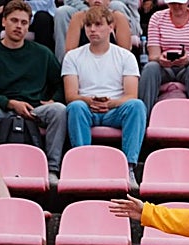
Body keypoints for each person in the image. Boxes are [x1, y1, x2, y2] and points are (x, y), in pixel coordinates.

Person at [63, 5, 145, 191]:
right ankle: (82, 165)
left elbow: (131, 94)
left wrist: (111, 103)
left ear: (111, 27)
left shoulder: (126, 56)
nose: (92, 30)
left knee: (136, 106)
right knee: (75, 107)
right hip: (86, 109)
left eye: (98, 25)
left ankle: (128, 168)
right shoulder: (73, 57)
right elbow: (71, 95)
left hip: (115, 110)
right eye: (89, 25)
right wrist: (90, 101)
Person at [0, 0, 67, 186]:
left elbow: (61, 82)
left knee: (59, 110)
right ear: (4, 21)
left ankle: (52, 169)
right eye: (14, 21)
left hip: (34, 109)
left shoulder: (42, 53)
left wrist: (54, 99)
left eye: (24, 23)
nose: (19, 26)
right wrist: (9, 103)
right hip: (2, 108)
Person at [139, 0, 189, 116]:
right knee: (150, 68)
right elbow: (153, 55)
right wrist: (161, 58)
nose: (176, 6)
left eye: (180, 3)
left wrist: (188, 60)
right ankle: (143, 117)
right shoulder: (157, 17)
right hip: (163, 66)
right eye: (173, 3)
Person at [61, 0, 133, 58]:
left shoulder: (118, 18)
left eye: (98, 24)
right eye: (88, 25)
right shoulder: (78, 18)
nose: (97, 0)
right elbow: (70, 53)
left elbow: (125, 53)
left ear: (109, 1)